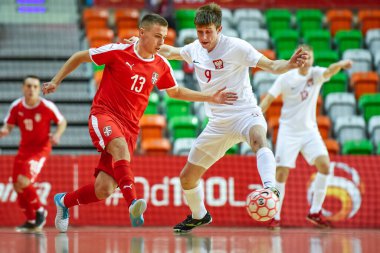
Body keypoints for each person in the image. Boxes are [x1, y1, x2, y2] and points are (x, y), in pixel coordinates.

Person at [42, 13, 238, 233]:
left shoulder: (161, 64)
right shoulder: (118, 51)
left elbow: (176, 91)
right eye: (157, 37)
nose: (162, 43)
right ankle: (134, 203)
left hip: (130, 127)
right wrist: (56, 81)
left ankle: (64, 202)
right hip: (104, 114)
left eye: (164, 38)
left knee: (104, 189)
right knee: (119, 147)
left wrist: (210, 97)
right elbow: (79, 56)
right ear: (141, 33)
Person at [157, 3, 309, 233]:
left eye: (209, 31)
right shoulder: (195, 48)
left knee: (259, 138)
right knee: (187, 179)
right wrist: (145, 46)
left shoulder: (237, 47)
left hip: (244, 113)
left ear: (219, 28)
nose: (204, 37)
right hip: (217, 123)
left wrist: (288, 64)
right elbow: (171, 52)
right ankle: (199, 216)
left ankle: (270, 189)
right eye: (200, 32)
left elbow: (271, 65)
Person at [259, 44, 353, 229]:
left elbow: (331, 71)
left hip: (310, 131)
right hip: (288, 131)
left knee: (325, 166)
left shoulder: (316, 74)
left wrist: (341, 64)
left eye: (309, 57)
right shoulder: (286, 78)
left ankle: (315, 211)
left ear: (312, 59)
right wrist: (256, 115)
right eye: (303, 57)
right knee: (281, 173)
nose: (306, 61)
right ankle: (275, 216)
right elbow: (269, 98)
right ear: (297, 58)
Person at [0, 75, 67, 232]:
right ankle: (31, 220)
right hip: (24, 149)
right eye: (28, 86)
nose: (32, 89)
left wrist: (57, 134)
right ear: (23, 88)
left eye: (35, 87)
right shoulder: (16, 106)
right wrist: (4, 131)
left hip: (40, 150)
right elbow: (8, 126)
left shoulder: (47, 106)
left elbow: (62, 121)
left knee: (24, 181)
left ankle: (40, 212)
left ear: (39, 89)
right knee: (17, 185)